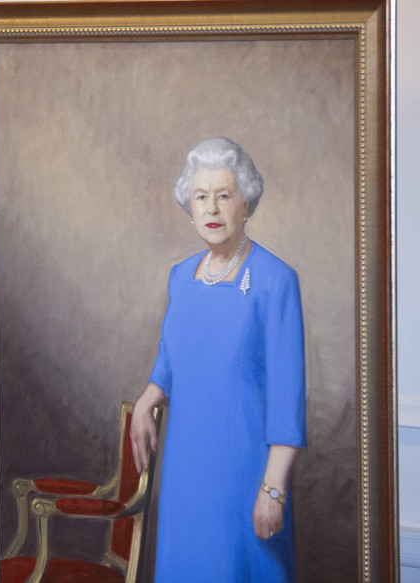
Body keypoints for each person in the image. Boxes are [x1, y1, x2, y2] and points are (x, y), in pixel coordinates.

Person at [130, 137, 306, 582]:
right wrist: (152, 390)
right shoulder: (181, 278)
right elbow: (174, 349)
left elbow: (289, 399)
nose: (211, 209)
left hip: (245, 477)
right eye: (200, 197)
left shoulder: (275, 280)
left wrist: (273, 490)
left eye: (223, 196)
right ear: (188, 206)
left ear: (245, 203)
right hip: (186, 474)